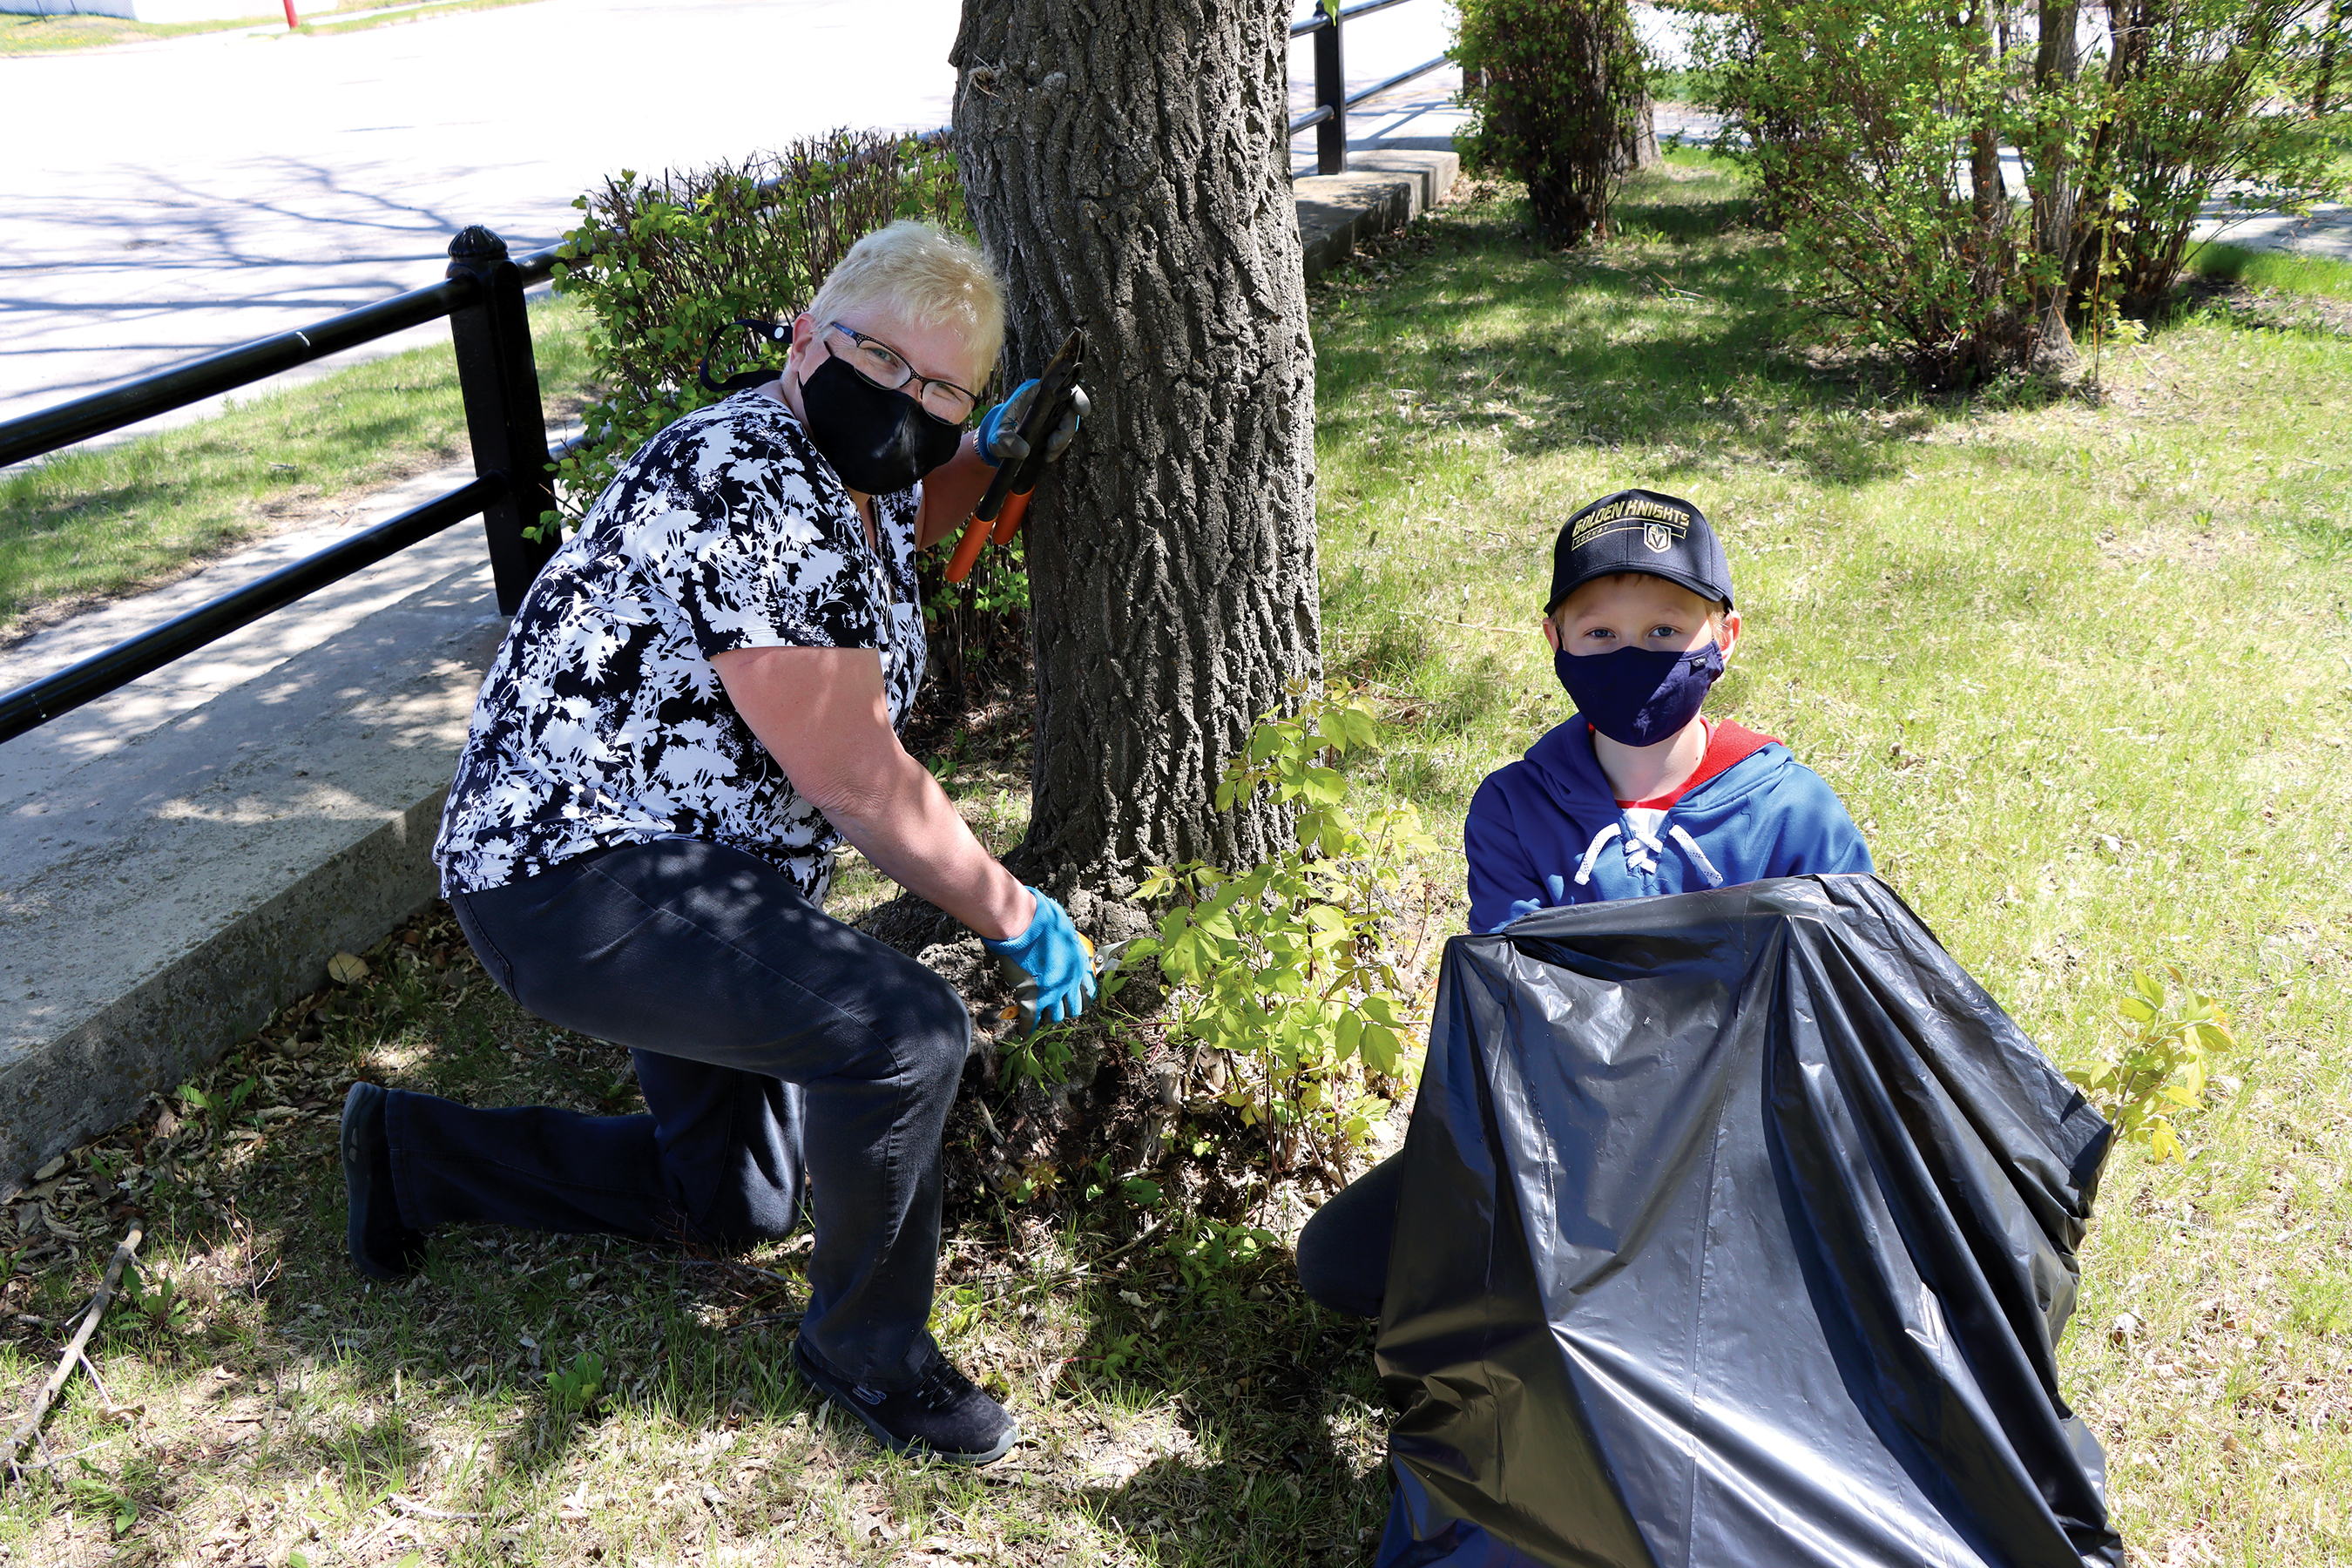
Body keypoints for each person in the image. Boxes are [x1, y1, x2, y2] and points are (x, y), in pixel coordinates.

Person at [335, 220, 1090, 1465]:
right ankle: (870, 1351)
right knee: (905, 1037)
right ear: (806, 336)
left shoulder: (857, 463)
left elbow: (891, 515)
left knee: (733, 1202)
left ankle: (412, 1155)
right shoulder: (742, 476)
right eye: (884, 364)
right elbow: (854, 778)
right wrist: (1012, 912)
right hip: (578, 875)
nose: (909, 403)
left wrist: (986, 458)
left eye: (945, 391)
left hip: (700, 878)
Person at [1294, 486, 1872, 1320]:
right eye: (1601, 632)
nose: (1632, 652)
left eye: (1665, 632)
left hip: (1745, 1135)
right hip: (1572, 1127)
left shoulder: (1793, 809)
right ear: (1555, 639)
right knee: (1343, 1262)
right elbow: (1521, 998)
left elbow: (1851, 999)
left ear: (1726, 638)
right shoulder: (1515, 807)